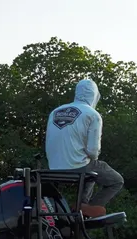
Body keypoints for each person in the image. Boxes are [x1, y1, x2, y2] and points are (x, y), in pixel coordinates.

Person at [45, 79, 124, 218]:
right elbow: (93, 152)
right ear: (94, 96)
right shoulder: (92, 115)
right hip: (76, 168)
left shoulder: (55, 112)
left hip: (54, 169)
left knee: (90, 170)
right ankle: (87, 209)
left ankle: (81, 206)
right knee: (116, 180)